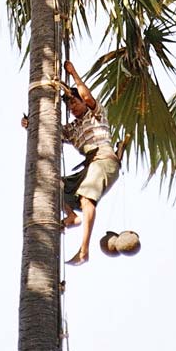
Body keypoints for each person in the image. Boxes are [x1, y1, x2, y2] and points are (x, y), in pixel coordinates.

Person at [60, 60, 120, 265]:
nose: (73, 108)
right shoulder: (72, 128)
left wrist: (73, 73)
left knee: (87, 200)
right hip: (91, 166)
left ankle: (84, 250)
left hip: (104, 160)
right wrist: (29, 124)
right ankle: (71, 216)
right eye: (69, 107)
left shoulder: (96, 113)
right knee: (55, 184)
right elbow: (49, 131)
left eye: (75, 103)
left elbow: (85, 95)